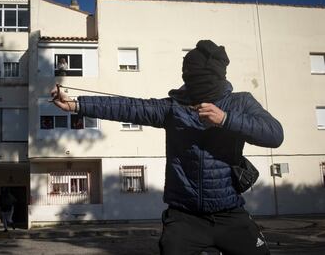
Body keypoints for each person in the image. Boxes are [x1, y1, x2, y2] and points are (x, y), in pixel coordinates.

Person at [51, 40, 284, 255]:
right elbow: (129, 107)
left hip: (230, 214)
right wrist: (75, 104)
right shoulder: (173, 108)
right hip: (184, 218)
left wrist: (225, 119)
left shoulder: (240, 102)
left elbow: (275, 135)